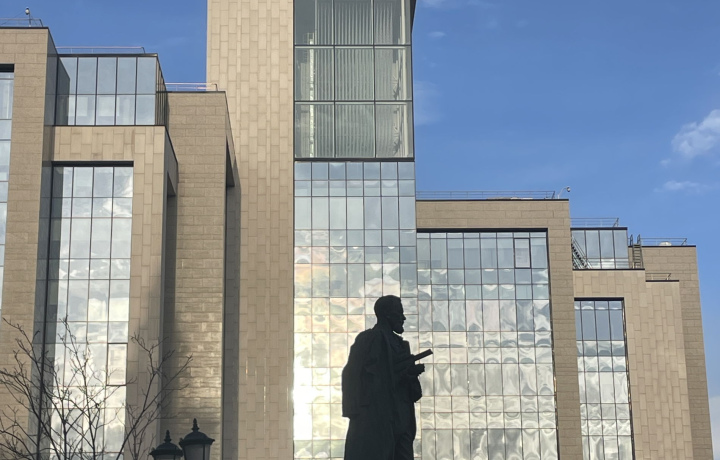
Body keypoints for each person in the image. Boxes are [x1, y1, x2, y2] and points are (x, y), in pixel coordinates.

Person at [342, 295, 425, 460]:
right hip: (378, 416)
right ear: (388, 314)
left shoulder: (401, 345)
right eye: (399, 313)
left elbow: (410, 389)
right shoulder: (369, 338)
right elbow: (351, 374)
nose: (403, 318)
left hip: (402, 416)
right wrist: (356, 413)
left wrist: (410, 375)